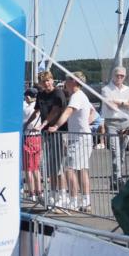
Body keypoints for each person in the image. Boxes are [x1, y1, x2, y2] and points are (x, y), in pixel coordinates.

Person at [46, 72, 95, 212]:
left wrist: (55, 126)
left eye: (67, 80)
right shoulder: (81, 96)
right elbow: (93, 112)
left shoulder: (76, 96)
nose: (64, 82)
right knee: (82, 170)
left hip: (80, 139)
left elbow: (67, 112)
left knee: (69, 169)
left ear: (73, 81)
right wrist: (86, 123)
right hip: (81, 137)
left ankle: (73, 201)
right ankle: (86, 201)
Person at [32, 71, 69, 208]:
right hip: (46, 134)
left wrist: (42, 125)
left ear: (52, 80)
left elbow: (55, 111)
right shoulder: (41, 95)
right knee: (50, 167)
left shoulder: (58, 93)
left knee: (59, 166)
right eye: (44, 81)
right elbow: (36, 111)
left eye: (48, 80)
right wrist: (24, 124)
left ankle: (63, 195)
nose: (46, 83)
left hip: (58, 132)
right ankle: (53, 194)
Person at [100, 66, 129, 188]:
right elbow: (111, 106)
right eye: (117, 75)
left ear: (125, 77)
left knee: (122, 152)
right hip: (112, 123)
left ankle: (117, 178)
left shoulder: (128, 89)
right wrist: (126, 103)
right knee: (115, 152)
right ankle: (117, 179)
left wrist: (119, 102)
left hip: (126, 122)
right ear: (113, 75)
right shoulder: (106, 89)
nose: (119, 77)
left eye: (122, 75)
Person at [22, 88, 43, 203]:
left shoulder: (26, 108)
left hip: (28, 136)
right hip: (38, 136)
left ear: (28, 96)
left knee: (28, 168)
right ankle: (39, 191)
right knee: (36, 167)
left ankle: (31, 193)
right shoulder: (39, 106)